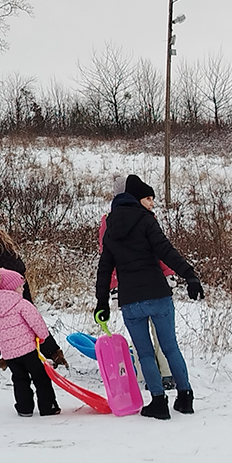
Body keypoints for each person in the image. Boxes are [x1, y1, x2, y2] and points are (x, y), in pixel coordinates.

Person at [94, 175, 205, 420]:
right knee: (170, 347)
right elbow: (166, 251)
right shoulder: (146, 220)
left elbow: (104, 269)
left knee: (145, 353)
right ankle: (185, 397)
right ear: (136, 199)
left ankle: (158, 402)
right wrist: (190, 275)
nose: (151, 203)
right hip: (158, 295)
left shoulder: (110, 228)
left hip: (131, 301)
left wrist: (102, 302)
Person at [0, 195, 69, 370]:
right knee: (30, 318)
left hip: (6, 287)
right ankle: (54, 352)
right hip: (18, 282)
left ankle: (1, 356)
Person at [99, 174, 176, 391]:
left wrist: (113, 287)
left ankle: (155, 375)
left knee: (145, 335)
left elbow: (107, 259)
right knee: (155, 333)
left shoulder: (114, 220)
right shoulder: (137, 219)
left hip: (133, 289)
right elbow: (109, 258)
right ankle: (161, 374)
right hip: (144, 286)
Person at [0, 267, 61, 417]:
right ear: (12, 288)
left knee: (19, 379)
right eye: (20, 286)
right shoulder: (22, 304)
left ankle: (24, 408)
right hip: (28, 351)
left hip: (10, 354)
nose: (22, 289)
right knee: (41, 377)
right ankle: (48, 407)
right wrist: (43, 336)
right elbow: (36, 322)